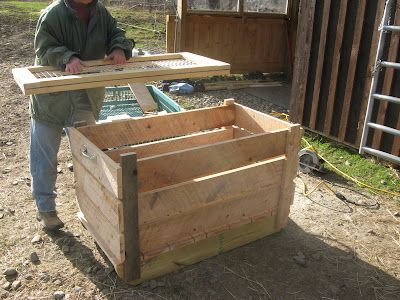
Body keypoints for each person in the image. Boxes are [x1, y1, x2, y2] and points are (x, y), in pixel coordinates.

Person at [31, 0, 134, 230]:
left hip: (86, 96)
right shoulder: (53, 14)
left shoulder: (100, 13)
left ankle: (93, 206)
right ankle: (46, 209)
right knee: (45, 157)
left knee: (90, 156)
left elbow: (116, 33)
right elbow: (43, 47)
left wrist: (119, 48)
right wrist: (67, 57)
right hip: (52, 98)